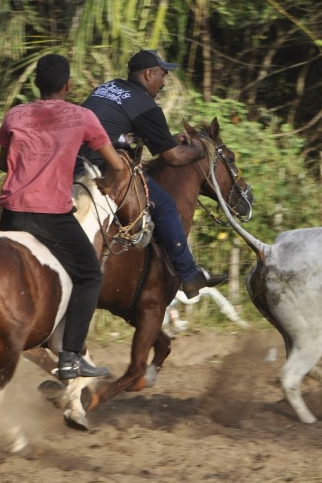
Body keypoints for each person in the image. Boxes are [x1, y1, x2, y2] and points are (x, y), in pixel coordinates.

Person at [0, 53, 129, 380]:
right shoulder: (82, 117)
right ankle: (70, 356)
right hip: (51, 216)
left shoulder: (15, 115)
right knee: (89, 275)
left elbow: (3, 163)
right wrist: (109, 184)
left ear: (36, 84)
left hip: (11, 215)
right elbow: (119, 165)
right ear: (68, 85)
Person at [80, 49, 225, 298]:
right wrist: (201, 151)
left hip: (70, 159)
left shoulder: (108, 87)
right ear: (149, 74)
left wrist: (169, 140)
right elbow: (175, 158)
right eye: (162, 75)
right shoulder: (145, 105)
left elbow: (117, 128)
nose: (164, 82)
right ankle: (189, 276)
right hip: (103, 166)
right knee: (166, 205)